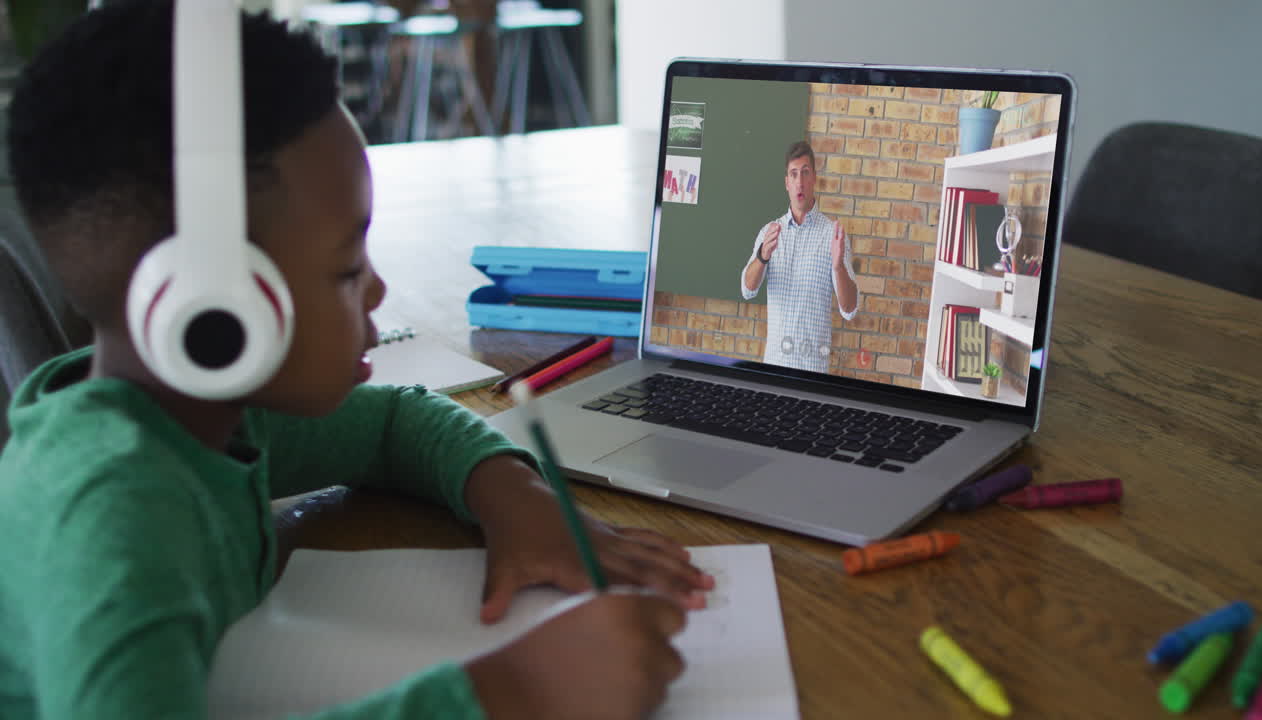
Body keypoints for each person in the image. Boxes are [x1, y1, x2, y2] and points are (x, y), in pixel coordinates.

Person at [0, 3, 711, 719]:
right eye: (345, 269)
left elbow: (392, 422)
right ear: (214, 312)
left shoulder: (204, 417)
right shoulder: (113, 524)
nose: (376, 287)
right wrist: (510, 694)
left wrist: (517, 501)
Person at [740, 141, 859, 373]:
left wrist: (838, 268)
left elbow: (850, 309)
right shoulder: (770, 232)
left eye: (805, 173)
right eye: (794, 174)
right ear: (787, 183)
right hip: (774, 368)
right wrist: (763, 257)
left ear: (814, 178)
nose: (800, 182)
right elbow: (747, 289)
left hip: (812, 372)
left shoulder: (833, 235)